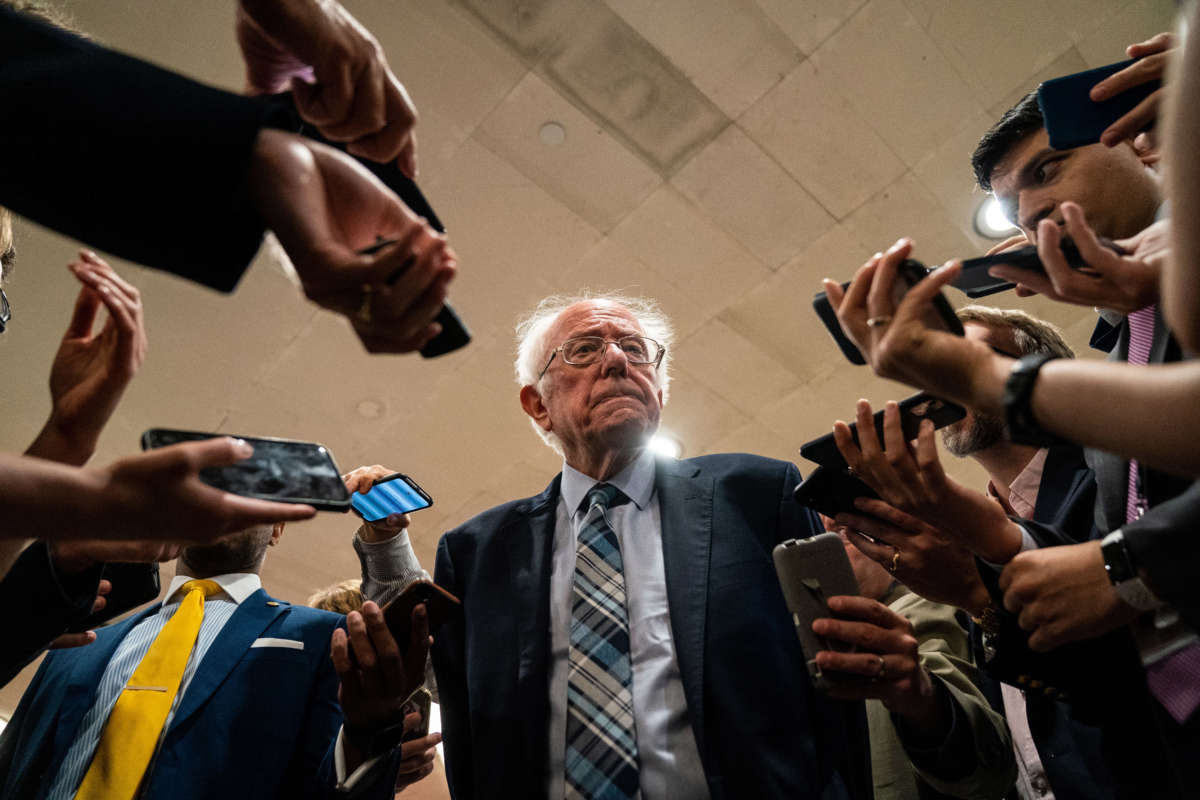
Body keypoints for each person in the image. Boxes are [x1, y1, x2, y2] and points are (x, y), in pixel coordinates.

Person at [430, 293, 870, 799]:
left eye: (636, 350)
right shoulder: (475, 554)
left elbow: (839, 687)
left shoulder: (759, 494)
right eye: (584, 349)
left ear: (659, 394)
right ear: (538, 404)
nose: (616, 359)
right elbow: (470, 740)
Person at [0, 522, 428, 799]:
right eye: (207, 489)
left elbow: (333, 787)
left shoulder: (322, 638)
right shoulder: (76, 644)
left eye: (245, 491)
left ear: (277, 526)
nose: (223, 502)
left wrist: (367, 739)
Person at [813, 527, 1014, 800]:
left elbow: (984, 763)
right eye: (815, 536)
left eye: (845, 534)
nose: (830, 549)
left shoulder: (924, 608)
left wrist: (924, 702)